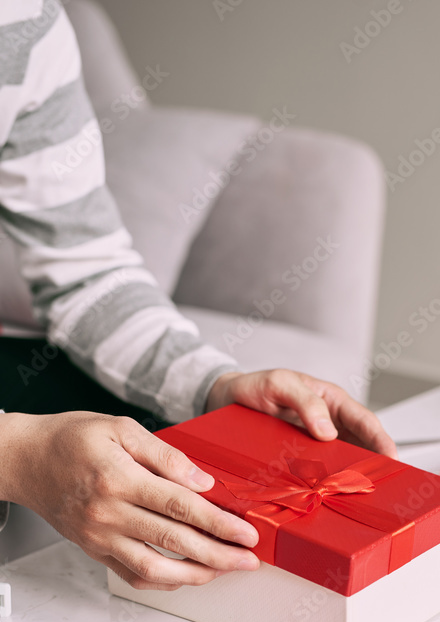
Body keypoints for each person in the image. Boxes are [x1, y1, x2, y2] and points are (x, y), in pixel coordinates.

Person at [0, 2, 397, 591]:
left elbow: (86, 273)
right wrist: (17, 458)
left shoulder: (26, 27)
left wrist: (210, 385)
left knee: (165, 438)